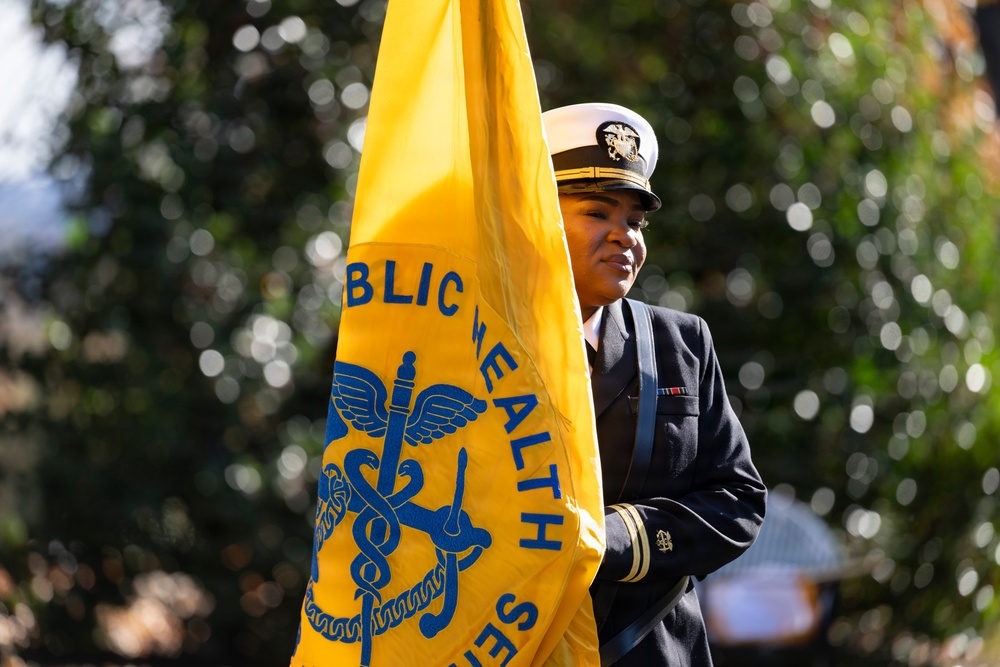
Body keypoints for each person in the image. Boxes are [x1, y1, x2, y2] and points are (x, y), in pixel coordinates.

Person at [541, 102, 767, 666]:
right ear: (536, 214)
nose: (625, 238)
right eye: (598, 213)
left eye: (636, 223)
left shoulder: (681, 343)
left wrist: (615, 538)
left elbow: (738, 503)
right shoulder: (471, 344)